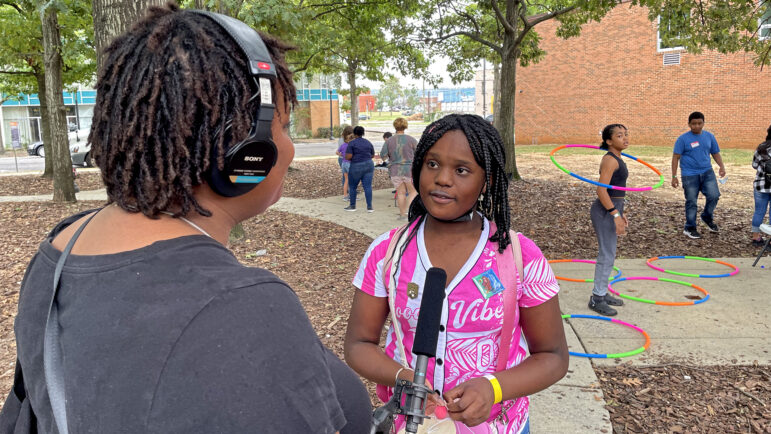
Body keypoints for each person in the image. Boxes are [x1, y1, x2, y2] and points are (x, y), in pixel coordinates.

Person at [0, 4, 370, 433]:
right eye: (283, 127)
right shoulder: (238, 309)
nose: (287, 147)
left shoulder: (62, 245)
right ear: (247, 152)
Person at [344, 114, 569, 433]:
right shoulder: (387, 254)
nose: (442, 179)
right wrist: (404, 377)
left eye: (461, 170)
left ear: (487, 180)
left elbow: (553, 356)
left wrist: (495, 388)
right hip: (411, 425)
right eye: (432, 164)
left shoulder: (519, 256)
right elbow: (358, 343)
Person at [588, 124, 629, 316]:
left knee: (610, 253)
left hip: (613, 207)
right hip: (605, 210)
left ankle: (602, 294)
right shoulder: (610, 160)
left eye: (626, 134)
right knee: (607, 253)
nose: (625, 138)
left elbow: (618, 190)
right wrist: (614, 214)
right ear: (609, 141)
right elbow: (601, 190)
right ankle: (597, 298)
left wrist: (621, 213)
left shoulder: (618, 158)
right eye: (620, 135)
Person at [671, 111, 726, 239]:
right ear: (689, 124)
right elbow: (676, 157)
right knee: (691, 201)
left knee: (714, 196)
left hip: (707, 172)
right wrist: (674, 176)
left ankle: (706, 217)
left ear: (703, 123)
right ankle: (690, 227)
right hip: (689, 174)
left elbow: (715, 153)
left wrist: (721, 166)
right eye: (694, 124)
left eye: (699, 123)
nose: (697, 126)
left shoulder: (709, 137)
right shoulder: (683, 139)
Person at [381, 117, 418, 220]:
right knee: (413, 192)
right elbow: (419, 153)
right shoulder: (411, 140)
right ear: (405, 126)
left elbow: (383, 155)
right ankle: (409, 213)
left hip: (395, 170)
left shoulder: (389, 141)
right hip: (409, 170)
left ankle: (402, 214)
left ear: (395, 126)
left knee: (400, 193)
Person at [344, 125, 375, 212]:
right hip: (369, 164)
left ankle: (352, 206)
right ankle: (369, 207)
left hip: (356, 165)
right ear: (363, 133)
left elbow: (348, 156)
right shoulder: (368, 142)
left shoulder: (352, 143)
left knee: (353, 186)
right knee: (368, 186)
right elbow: (372, 155)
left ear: (354, 133)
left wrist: (347, 156)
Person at [751, 124, 771, 246]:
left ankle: (756, 237)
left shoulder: (761, 147)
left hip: (760, 185)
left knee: (759, 211)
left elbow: (754, 165)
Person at [337, 125, 354, 201]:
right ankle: (351, 194)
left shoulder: (342, 143)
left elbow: (337, 151)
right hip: (349, 163)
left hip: (343, 162)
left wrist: (341, 154)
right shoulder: (350, 145)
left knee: (346, 179)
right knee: (351, 180)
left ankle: (345, 195)